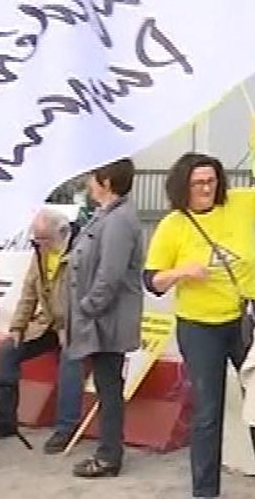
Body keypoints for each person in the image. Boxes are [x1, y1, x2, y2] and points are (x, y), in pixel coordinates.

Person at [143, 152, 255, 499]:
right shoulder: (174, 225)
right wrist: (182, 272)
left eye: (211, 181)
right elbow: (151, 280)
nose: (206, 189)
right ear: (183, 186)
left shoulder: (239, 202)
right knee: (208, 409)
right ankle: (205, 490)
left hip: (247, 319)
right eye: (198, 183)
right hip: (200, 327)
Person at [0, 207, 85, 453]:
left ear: (62, 233)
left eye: (43, 239)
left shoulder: (82, 252)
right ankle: (5, 420)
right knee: (8, 350)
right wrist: (17, 327)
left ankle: (66, 427)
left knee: (70, 361)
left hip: (76, 325)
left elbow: (87, 296)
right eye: (35, 239)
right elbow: (29, 291)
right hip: (48, 323)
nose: (38, 244)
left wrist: (70, 327)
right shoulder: (40, 251)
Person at [66, 158, 145, 479]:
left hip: (106, 320)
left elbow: (110, 274)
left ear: (106, 182)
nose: (88, 183)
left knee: (109, 387)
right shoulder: (107, 216)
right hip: (100, 319)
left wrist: (87, 307)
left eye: (92, 177)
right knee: (105, 385)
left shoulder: (119, 221)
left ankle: (109, 455)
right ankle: (108, 450)